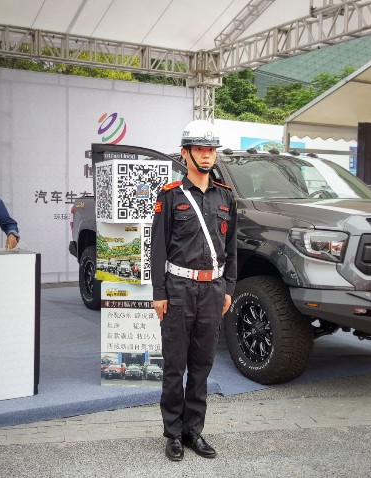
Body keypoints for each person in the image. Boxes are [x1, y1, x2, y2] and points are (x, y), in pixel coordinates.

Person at [151, 120, 237, 462]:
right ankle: (173, 433)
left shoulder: (226, 196)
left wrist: (229, 287)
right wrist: (159, 292)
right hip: (178, 289)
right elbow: (158, 248)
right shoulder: (171, 195)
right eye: (199, 149)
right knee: (175, 366)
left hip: (213, 290)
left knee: (202, 366)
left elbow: (231, 248)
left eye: (210, 149)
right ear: (184, 153)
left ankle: (193, 431)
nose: (206, 155)